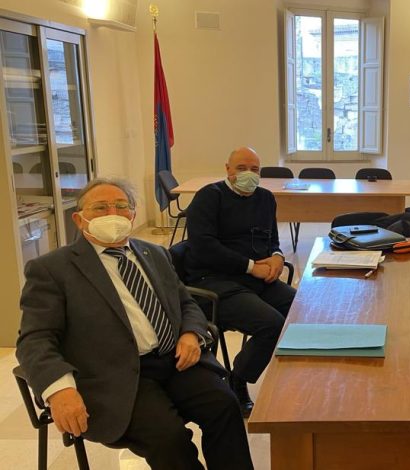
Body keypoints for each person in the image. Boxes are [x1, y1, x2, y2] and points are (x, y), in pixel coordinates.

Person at [16, 178, 253, 470]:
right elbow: (34, 339)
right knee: (168, 438)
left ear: (133, 214)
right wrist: (58, 390)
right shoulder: (52, 269)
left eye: (121, 206)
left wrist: (191, 333)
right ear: (79, 219)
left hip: (174, 360)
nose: (112, 214)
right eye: (100, 208)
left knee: (225, 406)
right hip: (113, 375)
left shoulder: (156, 254)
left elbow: (186, 303)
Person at [184, 146, 296, 417]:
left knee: (301, 310)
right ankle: (237, 379)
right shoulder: (209, 198)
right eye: (241, 168)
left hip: (254, 279)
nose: (249, 174)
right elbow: (204, 247)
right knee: (271, 324)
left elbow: (272, 239)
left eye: (255, 169)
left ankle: (290, 377)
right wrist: (250, 267)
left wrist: (277, 257)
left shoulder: (265, 198)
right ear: (228, 170)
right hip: (214, 281)